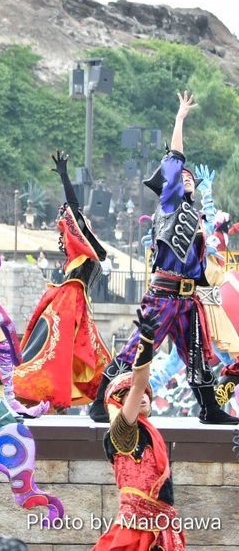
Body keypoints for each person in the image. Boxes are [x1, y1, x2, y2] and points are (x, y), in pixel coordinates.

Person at [91, 90, 237, 425]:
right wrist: (179, 119)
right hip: (164, 294)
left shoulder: (194, 215)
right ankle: (100, 399)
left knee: (197, 354)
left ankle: (210, 408)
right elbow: (175, 157)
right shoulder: (170, 203)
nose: (188, 179)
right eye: (183, 176)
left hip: (188, 298)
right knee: (139, 350)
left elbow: (201, 264)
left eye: (191, 179)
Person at [13, 150, 113, 410]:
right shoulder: (80, 251)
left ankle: (83, 398)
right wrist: (65, 177)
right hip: (69, 302)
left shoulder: (88, 251)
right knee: (58, 350)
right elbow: (74, 210)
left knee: (70, 351)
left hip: (74, 303)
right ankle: (47, 395)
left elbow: (76, 210)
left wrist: (66, 177)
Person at [91, 307, 186, 551]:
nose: (142, 396)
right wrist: (145, 341)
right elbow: (139, 381)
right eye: (132, 396)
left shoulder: (146, 429)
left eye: (146, 395)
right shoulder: (124, 430)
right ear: (118, 404)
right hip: (138, 528)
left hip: (160, 522)